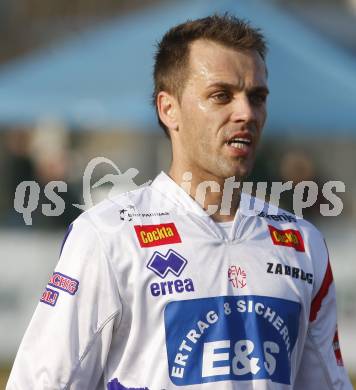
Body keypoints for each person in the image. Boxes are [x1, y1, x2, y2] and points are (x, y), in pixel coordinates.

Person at [6, 14, 352, 390]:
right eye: (221, 95)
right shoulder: (107, 238)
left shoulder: (301, 243)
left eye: (257, 97)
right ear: (168, 108)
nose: (246, 113)